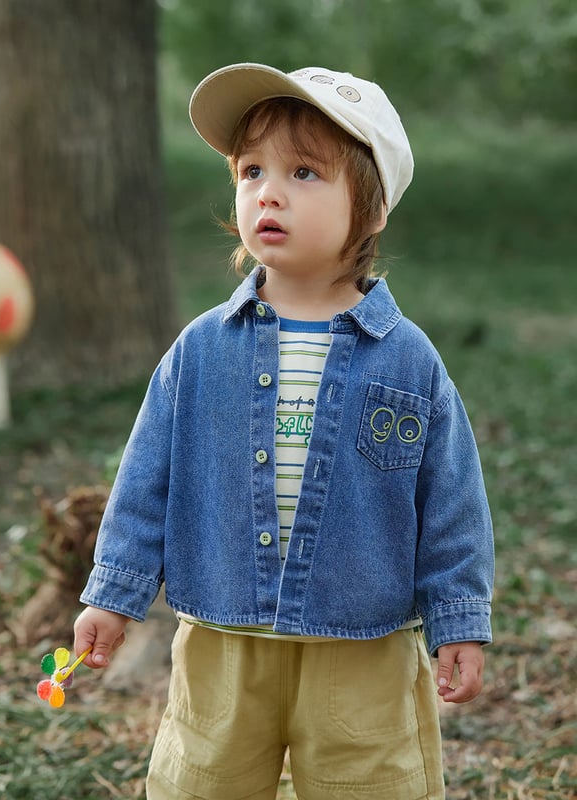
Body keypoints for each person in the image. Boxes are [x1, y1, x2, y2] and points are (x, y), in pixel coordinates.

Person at [74, 63, 494, 800]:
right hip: (223, 640)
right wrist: (114, 592)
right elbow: (145, 481)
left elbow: (451, 499)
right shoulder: (201, 350)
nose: (267, 191)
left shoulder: (408, 359)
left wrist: (458, 616)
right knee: (204, 783)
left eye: (304, 172)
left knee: (372, 785)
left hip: (364, 645)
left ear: (371, 211)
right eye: (251, 170)